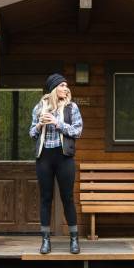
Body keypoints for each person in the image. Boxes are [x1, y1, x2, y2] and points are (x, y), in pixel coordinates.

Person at [29, 73, 83, 254]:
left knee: (67, 198)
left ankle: (74, 240)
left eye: (66, 85)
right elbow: (31, 133)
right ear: (53, 88)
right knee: (45, 198)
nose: (65, 88)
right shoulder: (40, 107)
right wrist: (39, 126)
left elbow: (77, 131)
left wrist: (57, 123)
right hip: (44, 157)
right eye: (62, 85)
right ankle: (45, 241)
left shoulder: (71, 107)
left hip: (64, 157)